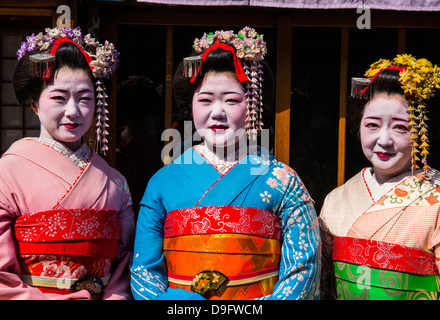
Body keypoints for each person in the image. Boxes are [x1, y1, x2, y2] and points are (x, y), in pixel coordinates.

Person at [130, 27, 321, 300]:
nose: (217, 112)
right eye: (205, 100)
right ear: (190, 106)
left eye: (232, 100)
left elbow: (303, 271)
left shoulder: (283, 180)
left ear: (252, 105)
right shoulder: (164, 181)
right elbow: (143, 271)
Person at [0, 26, 135, 299]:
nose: (73, 111)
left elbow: (124, 265)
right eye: (59, 97)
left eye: (85, 99)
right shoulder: (3, 175)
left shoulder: (115, 181)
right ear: (35, 103)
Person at [319, 54, 440, 300]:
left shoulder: (436, 197)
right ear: (358, 125)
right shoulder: (336, 199)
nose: (384, 140)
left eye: (400, 127)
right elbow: (322, 282)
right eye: (372, 125)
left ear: (421, 132)